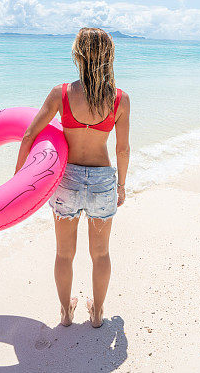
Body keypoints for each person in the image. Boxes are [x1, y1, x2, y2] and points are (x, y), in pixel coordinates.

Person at [15, 27, 130, 328]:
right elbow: (123, 149)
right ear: (108, 57)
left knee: (64, 253)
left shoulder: (62, 94)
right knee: (101, 253)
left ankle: (66, 313)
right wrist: (121, 186)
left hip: (67, 180)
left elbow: (29, 136)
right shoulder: (120, 99)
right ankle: (98, 313)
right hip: (103, 181)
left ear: (78, 55)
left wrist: (18, 182)